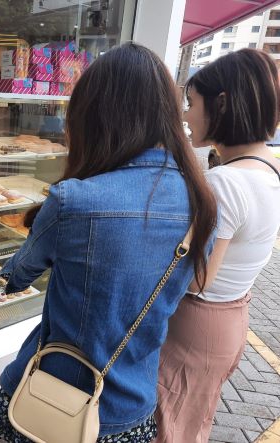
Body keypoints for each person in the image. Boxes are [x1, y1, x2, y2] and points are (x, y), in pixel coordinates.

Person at [0, 42, 217, 443]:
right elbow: (188, 287)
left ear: (94, 117)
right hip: (132, 409)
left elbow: (17, 277)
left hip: (51, 402)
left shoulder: (75, 200)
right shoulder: (202, 203)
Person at [156, 48, 280, 443]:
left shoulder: (226, 184)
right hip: (232, 316)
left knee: (167, 424)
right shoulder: (268, 167)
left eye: (192, 104)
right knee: (192, 421)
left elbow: (198, 281)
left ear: (222, 104)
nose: (187, 116)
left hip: (196, 325)